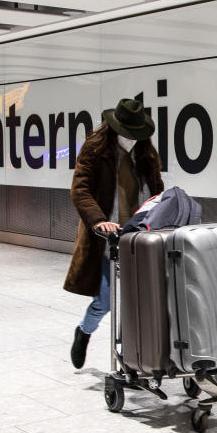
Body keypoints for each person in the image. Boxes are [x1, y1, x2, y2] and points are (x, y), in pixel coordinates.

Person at [64, 97, 164, 368]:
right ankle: (84, 332)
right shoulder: (95, 150)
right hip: (109, 237)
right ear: (114, 128)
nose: (132, 139)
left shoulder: (147, 153)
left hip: (142, 236)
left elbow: (157, 190)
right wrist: (98, 221)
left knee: (139, 303)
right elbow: (80, 190)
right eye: (127, 134)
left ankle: (132, 362)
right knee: (106, 301)